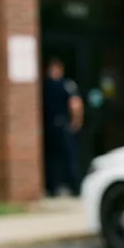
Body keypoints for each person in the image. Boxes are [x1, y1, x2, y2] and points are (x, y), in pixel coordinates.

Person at [41, 58, 83, 197]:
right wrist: (76, 123)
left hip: (49, 127)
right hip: (63, 126)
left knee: (52, 159)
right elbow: (75, 105)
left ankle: (52, 188)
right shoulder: (66, 85)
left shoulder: (43, 86)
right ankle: (75, 188)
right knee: (69, 158)